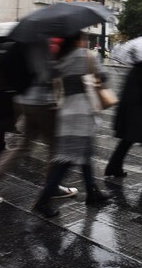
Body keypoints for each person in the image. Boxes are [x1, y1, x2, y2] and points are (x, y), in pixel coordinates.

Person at [0, 40, 78, 205]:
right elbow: (49, 73)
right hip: (43, 103)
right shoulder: (41, 45)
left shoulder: (24, 44)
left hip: (25, 100)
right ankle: (52, 187)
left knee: (23, 145)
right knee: (56, 147)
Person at [33, 32, 111, 218]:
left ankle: (92, 191)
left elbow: (48, 76)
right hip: (82, 113)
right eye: (84, 38)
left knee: (85, 154)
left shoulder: (61, 58)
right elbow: (105, 76)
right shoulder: (87, 55)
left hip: (66, 111)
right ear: (78, 40)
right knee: (65, 162)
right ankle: (43, 201)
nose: (86, 42)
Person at [105, 59, 142, 176]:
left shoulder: (135, 69)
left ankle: (113, 168)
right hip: (141, 114)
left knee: (131, 141)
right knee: (141, 140)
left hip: (131, 113)